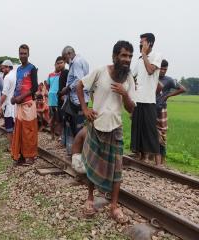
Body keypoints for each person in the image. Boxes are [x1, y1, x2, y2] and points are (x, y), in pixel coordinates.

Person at [76, 40, 136, 223]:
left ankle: (114, 206)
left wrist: (124, 93)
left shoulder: (129, 79)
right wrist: (86, 109)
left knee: (117, 169)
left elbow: (132, 108)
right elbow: (79, 85)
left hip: (115, 128)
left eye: (130, 56)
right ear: (115, 56)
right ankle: (90, 198)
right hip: (97, 125)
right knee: (93, 164)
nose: (127, 59)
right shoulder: (101, 71)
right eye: (124, 55)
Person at [131, 33, 163, 161]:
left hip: (149, 100)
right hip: (137, 100)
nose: (140, 44)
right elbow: (131, 76)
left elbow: (150, 71)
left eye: (142, 42)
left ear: (149, 43)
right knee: (138, 131)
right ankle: (142, 159)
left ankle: (157, 164)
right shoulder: (139, 60)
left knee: (150, 131)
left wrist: (144, 54)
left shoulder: (156, 56)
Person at [11, 44, 39, 166]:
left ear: (28, 54)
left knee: (29, 131)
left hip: (27, 104)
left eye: (24, 53)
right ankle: (21, 155)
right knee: (20, 131)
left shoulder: (32, 68)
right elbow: (18, 85)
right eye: (21, 53)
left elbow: (34, 87)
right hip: (19, 105)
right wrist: (13, 97)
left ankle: (30, 156)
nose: (22, 55)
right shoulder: (18, 69)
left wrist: (21, 97)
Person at [155, 59, 186, 166]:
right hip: (150, 109)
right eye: (161, 68)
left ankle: (161, 163)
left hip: (162, 109)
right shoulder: (152, 78)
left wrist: (169, 95)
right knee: (153, 134)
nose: (163, 71)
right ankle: (156, 163)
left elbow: (182, 89)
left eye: (165, 69)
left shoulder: (169, 80)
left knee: (162, 135)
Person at [62, 46, 89, 154]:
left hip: (76, 99)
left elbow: (79, 80)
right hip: (83, 98)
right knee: (80, 124)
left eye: (65, 58)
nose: (65, 62)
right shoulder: (83, 60)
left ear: (69, 53)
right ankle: (79, 151)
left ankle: (77, 152)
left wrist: (67, 88)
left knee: (76, 126)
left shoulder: (76, 62)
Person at [0, 60, 16, 152]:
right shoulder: (16, 75)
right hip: (16, 106)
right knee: (16, 128)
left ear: (8, 67)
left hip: (9, 106)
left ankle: (11, 147)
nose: (2, 69)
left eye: (4, 67)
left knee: (9, 129)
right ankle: (17, 147)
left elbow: (4, 93)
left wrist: (0, 105)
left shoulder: (7, 77)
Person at [47, 56, 65, 140]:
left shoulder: (63, 73)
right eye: (57, 64)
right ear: (55, 65)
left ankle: (60, 136)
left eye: (60, 63)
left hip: (59, 99)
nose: (58, 65)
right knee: (52, 119)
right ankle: (52, 136)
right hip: (51, 100)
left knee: (59, 119)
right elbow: (48, 86)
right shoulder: (50, 75)